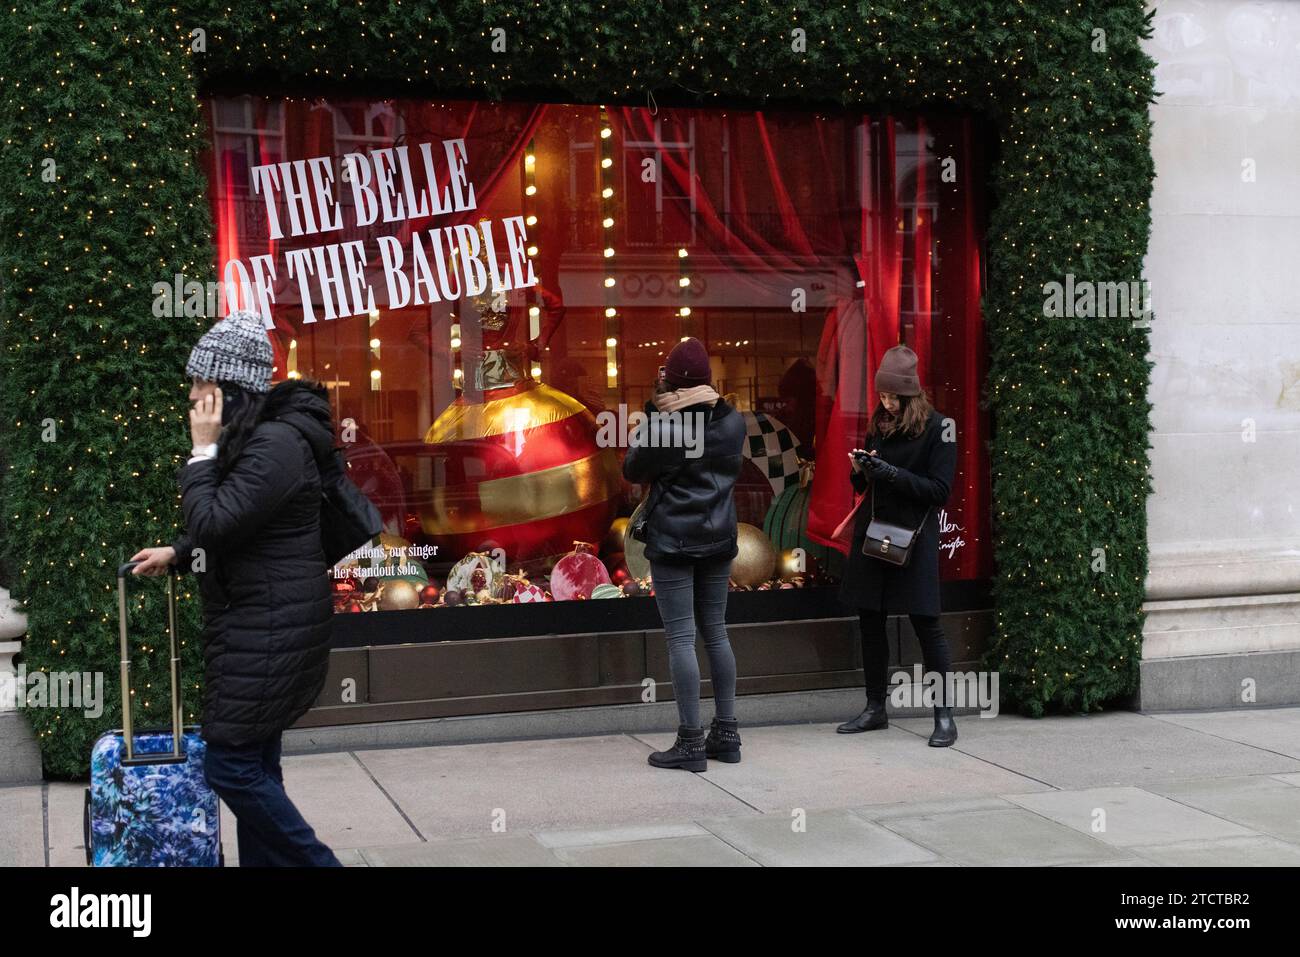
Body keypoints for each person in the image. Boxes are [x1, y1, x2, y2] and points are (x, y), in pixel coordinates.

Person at [130, 309, 342, 865]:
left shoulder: (275, 444)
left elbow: (216, 523)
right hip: (263, 622)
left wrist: (200, 453)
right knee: (257, 762)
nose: (192, 395)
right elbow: (242, 521)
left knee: (230, 764)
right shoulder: (260, 440)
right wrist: (178, 552)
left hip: (270, 627)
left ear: (230, 387)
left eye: (202, 382)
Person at [623, 338, 746, 771]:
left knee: (680, 638)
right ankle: (727, 735)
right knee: (716, 632)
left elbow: (632, 469)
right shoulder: (732, 421)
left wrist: (653, 412)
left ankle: (690, 742)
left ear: (671, 382)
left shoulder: (666, 427)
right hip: (719, 539)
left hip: (674, 542)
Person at [836, 344, 959, 747]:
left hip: (915, 537)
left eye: (893, 397)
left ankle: (944, 715)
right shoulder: (880, 424)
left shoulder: (940, 428)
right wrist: (861, 470)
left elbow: (939, 491)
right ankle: (875, 707)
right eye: (882, 396)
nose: (886, 403)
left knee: (926, 624)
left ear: (910, 395)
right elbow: (866, 485)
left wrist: (890, 472)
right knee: (870, 620)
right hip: (874, 532)